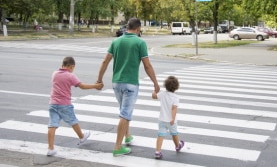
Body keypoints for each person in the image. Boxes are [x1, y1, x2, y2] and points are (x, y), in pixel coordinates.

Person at [96, 17, 160, 156]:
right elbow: (147, 66)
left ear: (127, 27)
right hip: (130, 83)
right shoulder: (140, 42)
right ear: (137, 29)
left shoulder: (116, 41)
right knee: (125, 114)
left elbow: (105, 61)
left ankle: (127, 136)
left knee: (124, 111)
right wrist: (155, 83)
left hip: (116, 83)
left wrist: (99, 80)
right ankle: (117, 147)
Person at [47, 56, 103, 156]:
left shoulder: (54, 73)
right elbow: (82, 86)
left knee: (52, 125)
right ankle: (81, 137)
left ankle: (50, 148)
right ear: (71, 66)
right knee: (73, 121)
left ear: (62, 65)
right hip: (64, 104)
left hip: (53, 103)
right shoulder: (70, 76)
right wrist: (95, 86)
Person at [152, 76, 184, 159]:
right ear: (176, 87)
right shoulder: (176, 97)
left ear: (165, 85)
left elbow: (154, 96)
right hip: (171, 121)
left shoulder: (162, 94)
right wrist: (172, 118)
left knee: (160, 135)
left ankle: (158, 151)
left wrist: (154, 90)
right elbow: (174, 108)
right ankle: (178, 145)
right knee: (174, 134)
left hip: (162, 120)